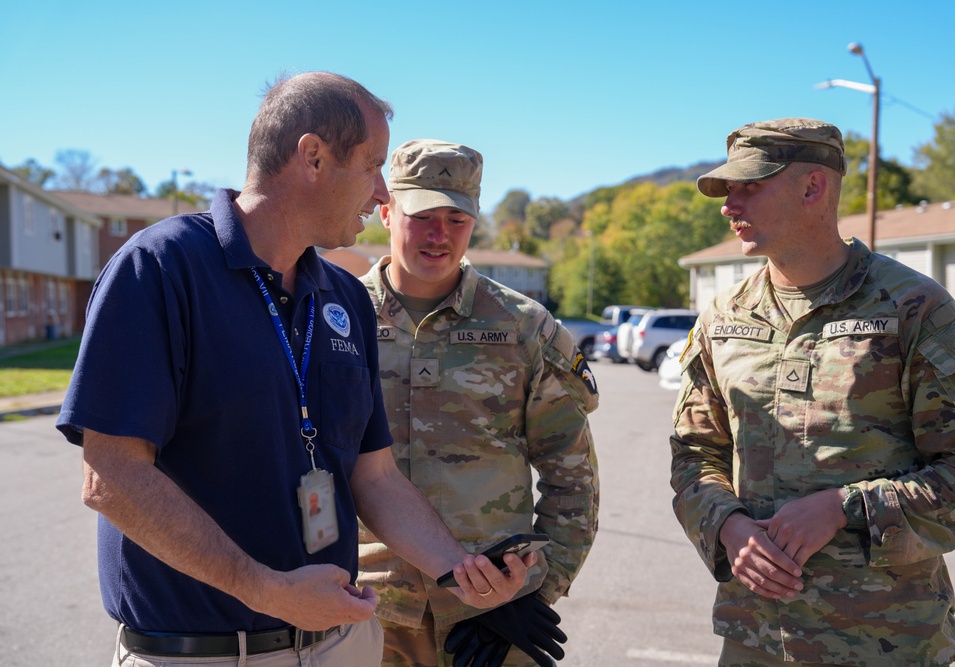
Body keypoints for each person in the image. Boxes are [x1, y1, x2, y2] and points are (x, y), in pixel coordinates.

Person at [55, 73, 534, 667]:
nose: (382, 193)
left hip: (341, 644)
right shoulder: (161, 267)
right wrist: (266, 590)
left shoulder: (344, 297)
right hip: (204, 654)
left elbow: (375, 477)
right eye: (372, 165)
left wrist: (462, 572)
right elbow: (112, 476)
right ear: (312, 157)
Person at [670, 117, 955, 666]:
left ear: (813, 187)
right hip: (756, 637)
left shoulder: (914, 308)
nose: (730, 205)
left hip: (887, 642)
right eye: (727, 190)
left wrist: (845, 508)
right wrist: (725, 525)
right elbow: (694, 451)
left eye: (749, 186)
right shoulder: (724, 318)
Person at [357, 139, 600, 667]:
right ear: (385, 211)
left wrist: (535, 590)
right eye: (422, 215)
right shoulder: (335, 318)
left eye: (456, 218)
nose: (439, 235)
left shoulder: (521, 325)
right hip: (366, 613)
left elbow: (572, 474)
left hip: (493, 612)